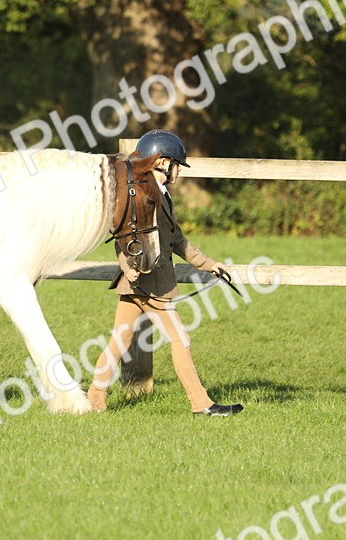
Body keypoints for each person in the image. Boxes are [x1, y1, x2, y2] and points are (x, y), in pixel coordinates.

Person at [87, 130, 243, 417]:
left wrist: (210, 264)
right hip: (150, 282)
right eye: (176, 164)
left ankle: (95, 397)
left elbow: (178, 240)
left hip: (144, 281)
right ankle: (201, 403)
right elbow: (123, 235)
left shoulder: (161, 196)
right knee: (180, 339)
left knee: (120, 338)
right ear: (161, 163)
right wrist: (126, 266)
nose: (179, 171)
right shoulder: (143, 195)